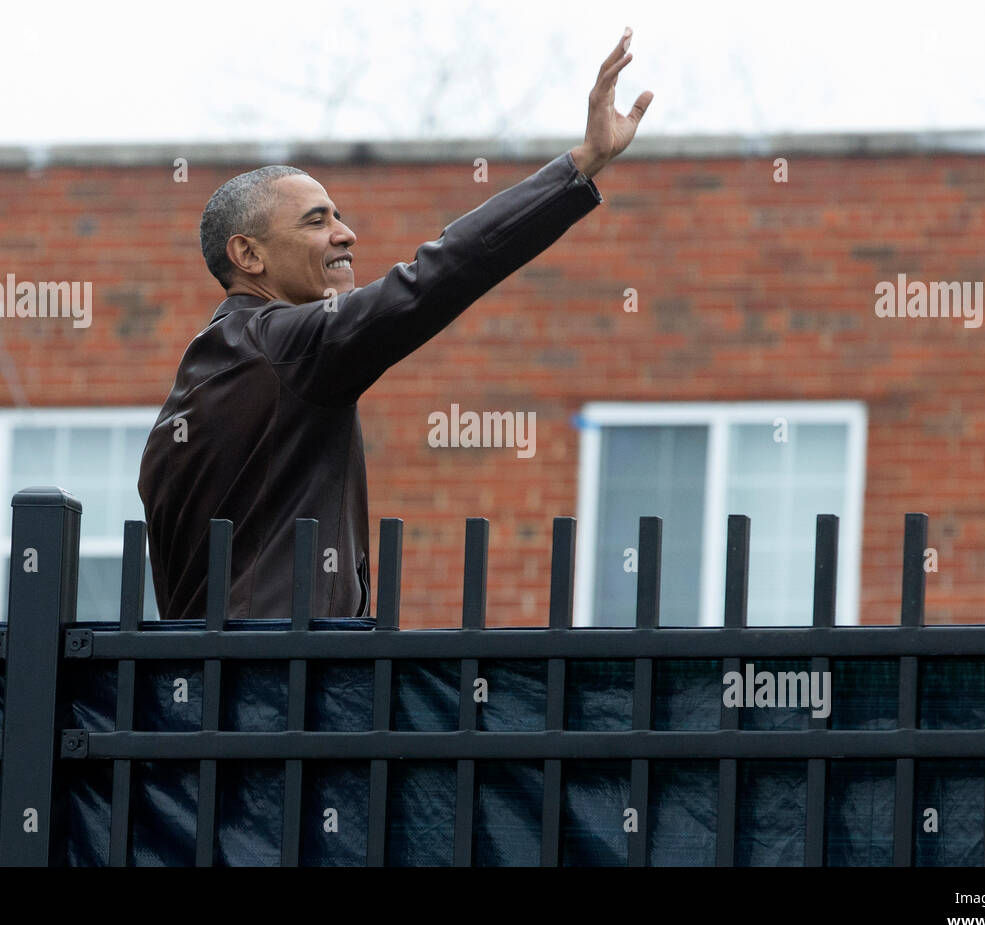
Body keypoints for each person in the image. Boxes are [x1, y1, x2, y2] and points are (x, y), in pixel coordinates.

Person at [138, 28, 653, 621]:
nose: (345, 233)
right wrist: (579, 167)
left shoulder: (204, 378)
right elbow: (435, 276)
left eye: (339, 215)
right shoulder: (281, 345)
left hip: (215, 696)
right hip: (284, 692)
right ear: (248, 256)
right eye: (315, 221)